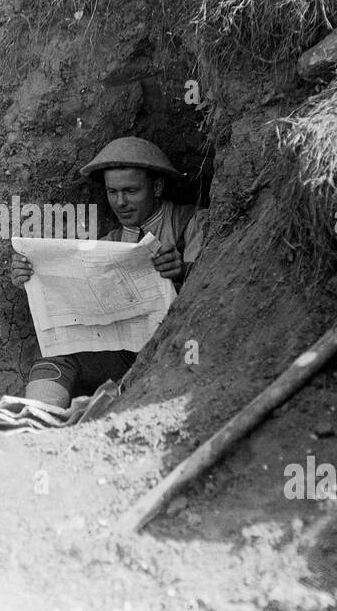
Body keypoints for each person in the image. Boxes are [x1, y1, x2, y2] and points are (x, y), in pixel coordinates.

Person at [10, 136, 203, 409]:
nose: (120, 202)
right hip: (125, 353)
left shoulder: (191, 223)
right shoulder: (109, 240)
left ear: (157, 187)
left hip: (178, 348)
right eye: (113, 192)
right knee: (55, 356)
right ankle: (34, 425)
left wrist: (181, 271)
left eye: (131, 191)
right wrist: (31, 275)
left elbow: (217, 285)